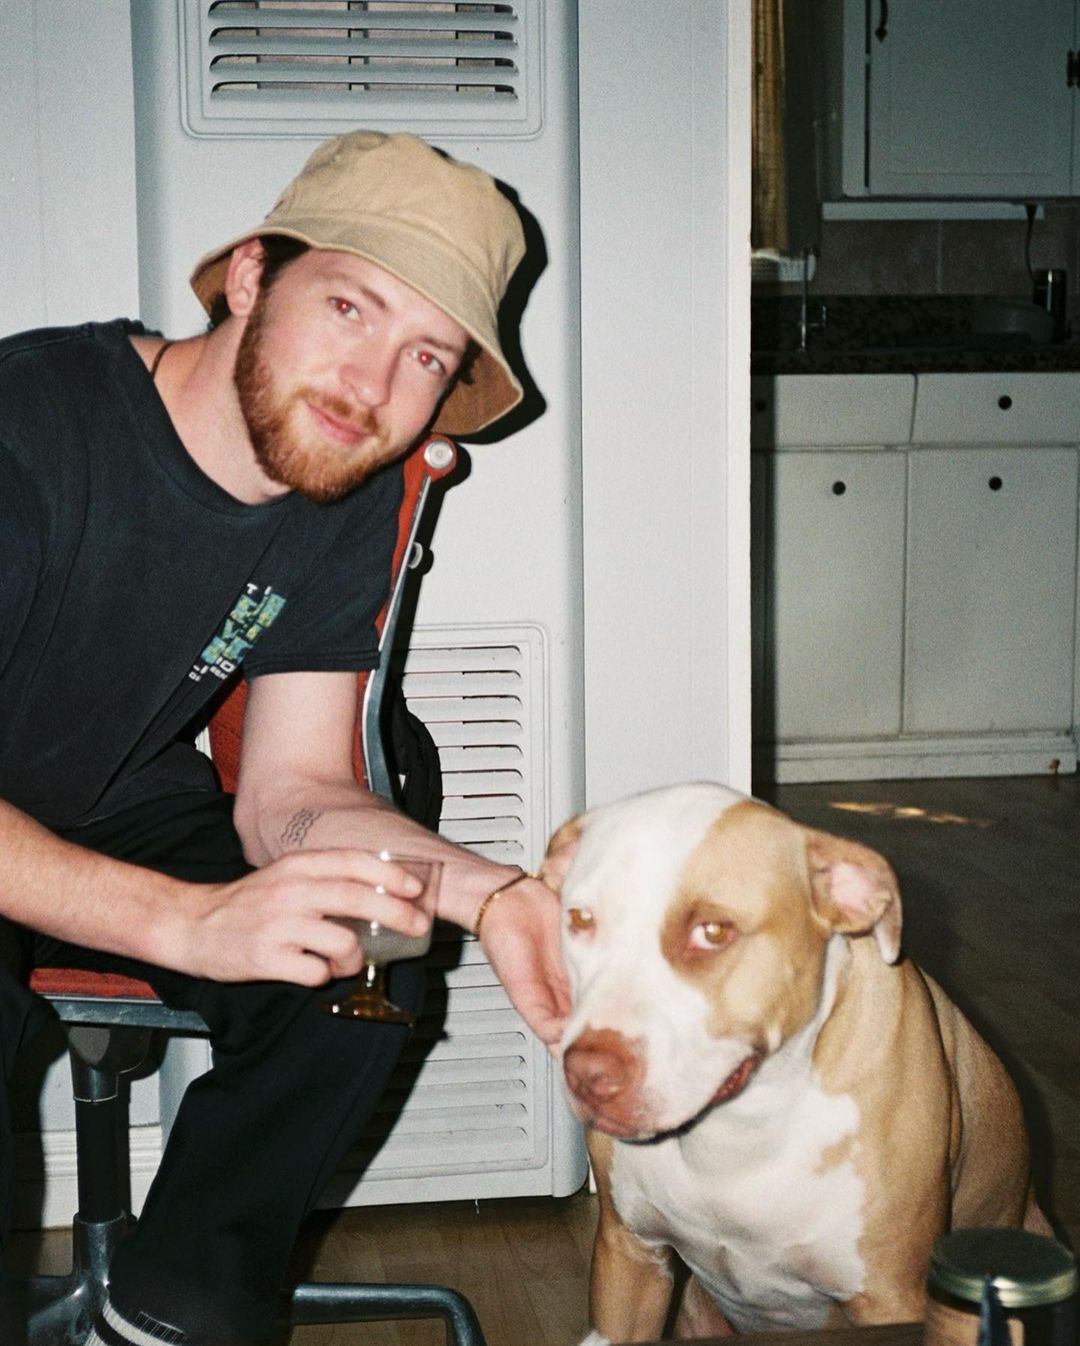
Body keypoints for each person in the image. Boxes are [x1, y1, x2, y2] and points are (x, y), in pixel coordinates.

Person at [0, 129, 569, 1346]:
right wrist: (183, 920)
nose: (371, 384)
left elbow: (293, 793)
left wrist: (494, 895)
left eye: (426, 354)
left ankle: (173, 1314)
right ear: (253, 276)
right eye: (350, 306)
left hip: (109, 800)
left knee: (358, 946)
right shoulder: (27, 433)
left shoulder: (336, 493)